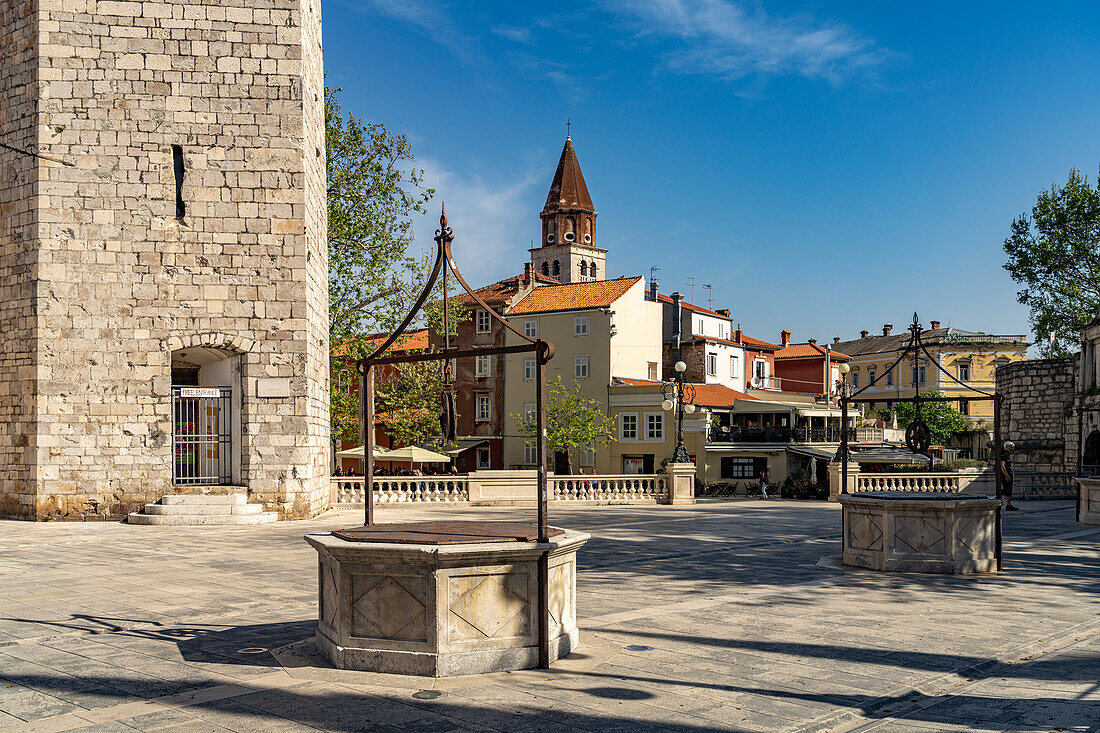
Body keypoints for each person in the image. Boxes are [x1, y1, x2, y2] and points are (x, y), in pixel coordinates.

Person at [1001, 441, 1019, 511]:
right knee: (1006, 489)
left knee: (1008, 489)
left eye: (1013, 447)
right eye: (1011, 447)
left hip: (1008, 473)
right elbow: (1002, 466)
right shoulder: (1003, 453)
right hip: (1005, 474)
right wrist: (1006, 475)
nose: (1012, 449)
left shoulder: (1007, 453)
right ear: (1006, 447)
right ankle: (998, 499)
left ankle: (1008, 505)